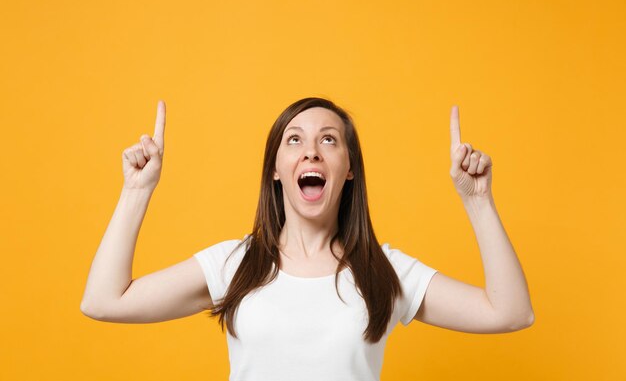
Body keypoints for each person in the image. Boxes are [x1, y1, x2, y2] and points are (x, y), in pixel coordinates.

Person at [80, 97, 534, 381]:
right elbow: (103, 301)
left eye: (329, 140)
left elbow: (510, 312)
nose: (311, 150)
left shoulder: (384, 272)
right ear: (276, 170)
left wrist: (477, 201)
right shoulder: (234, 264)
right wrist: (137, 191)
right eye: (293, 140)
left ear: (349, 168)